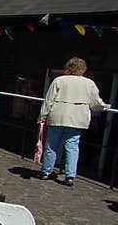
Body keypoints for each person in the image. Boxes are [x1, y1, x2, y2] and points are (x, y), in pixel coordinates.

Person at [37, 57, 110, 187]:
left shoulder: (59, 80)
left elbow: (49, 100)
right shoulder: (89, 83)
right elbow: (96, 103)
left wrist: (42, 115)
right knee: (72, 147)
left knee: (52, 145)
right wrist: (105, 107)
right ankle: (70, 175)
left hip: (58, 116)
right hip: (77, 118)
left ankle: (45, 171)